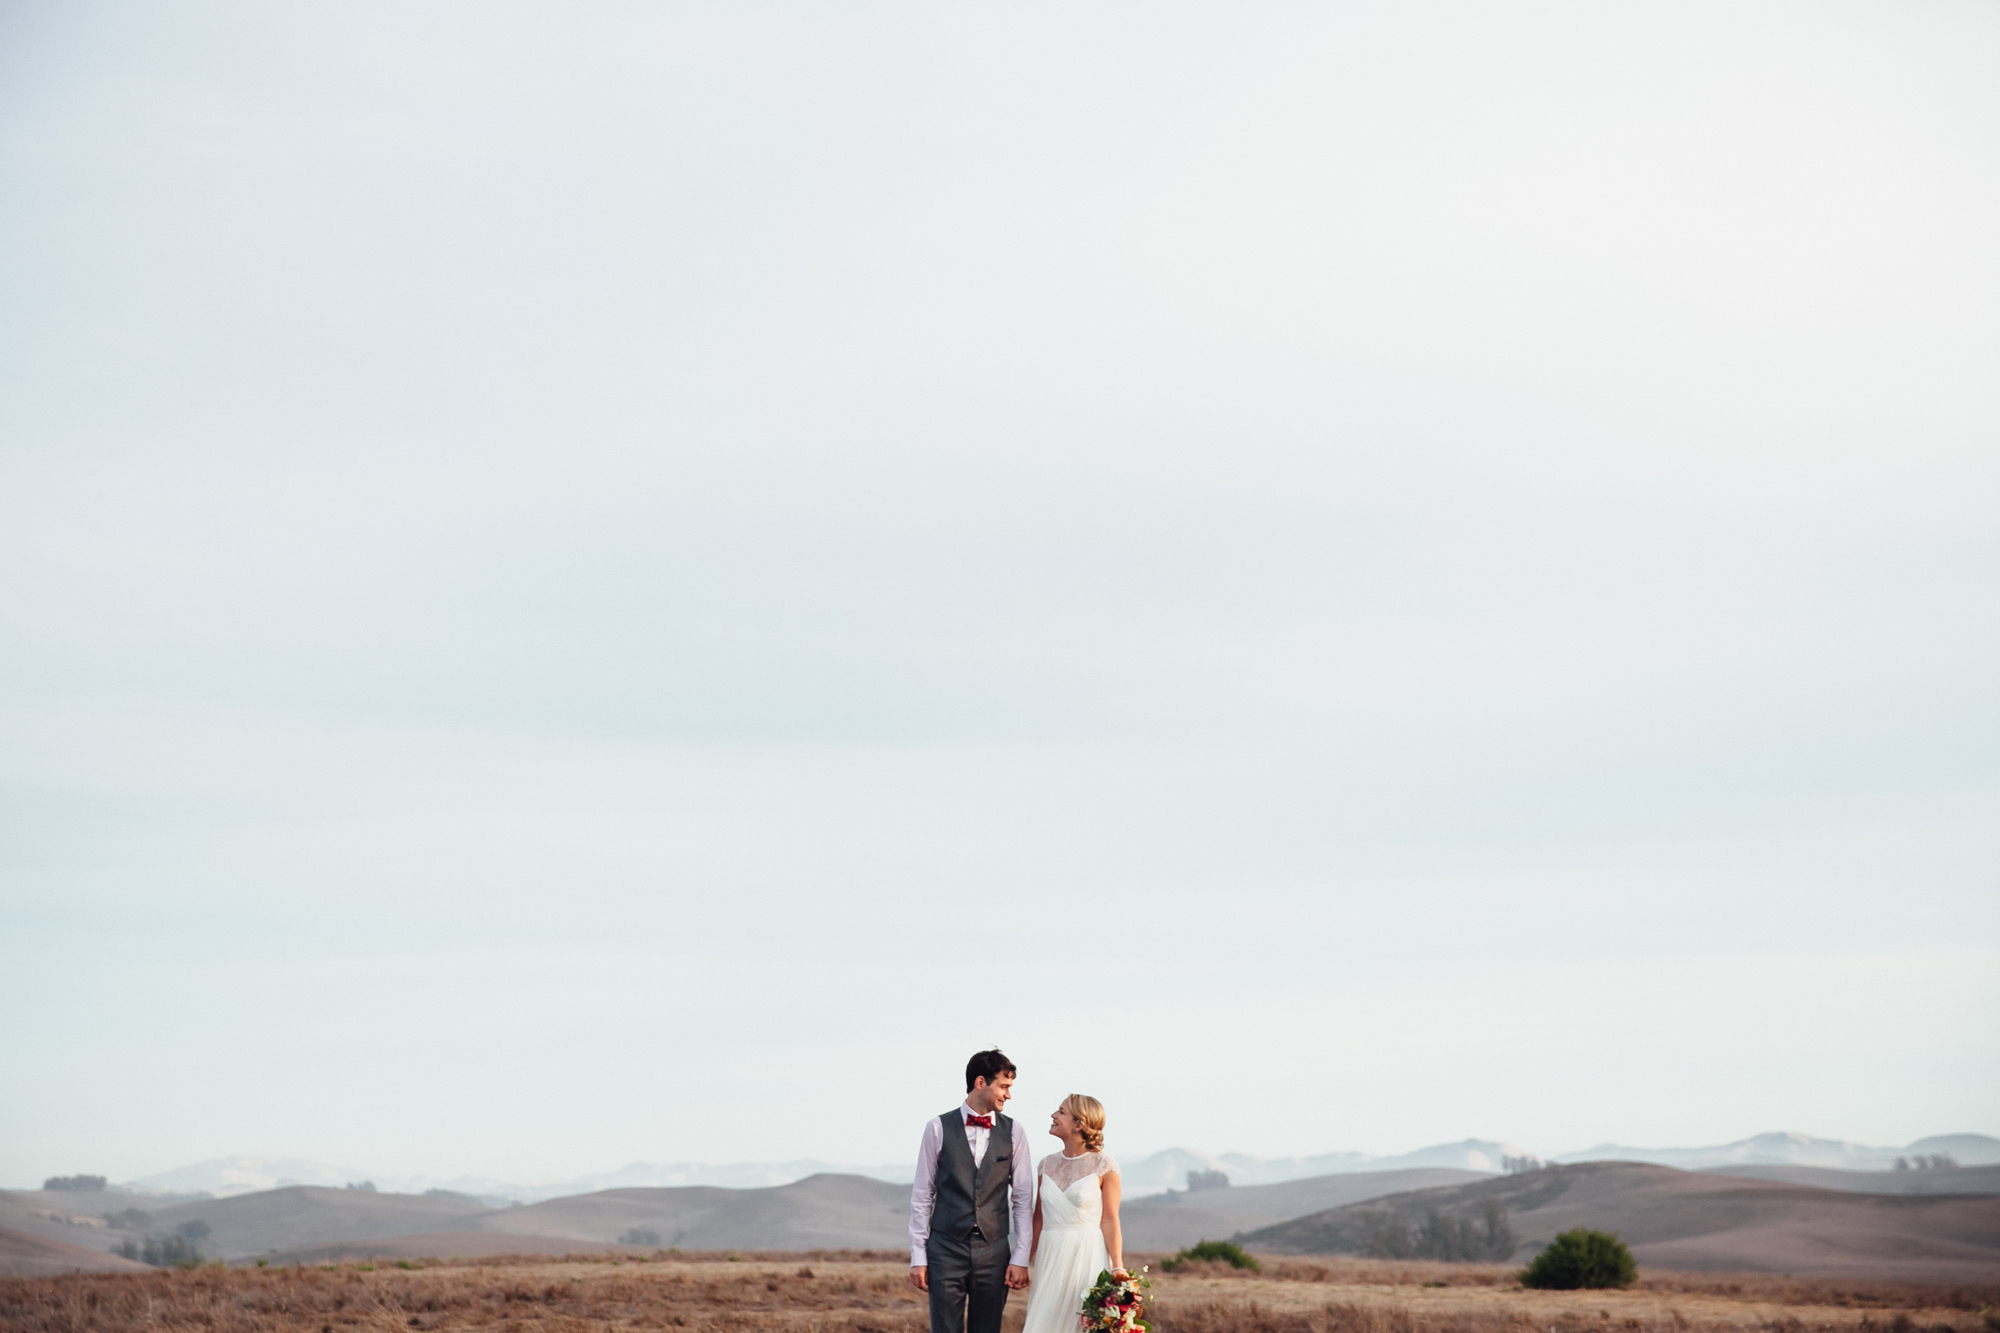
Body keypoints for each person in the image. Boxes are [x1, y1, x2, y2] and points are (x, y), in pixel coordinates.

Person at [908, 1049, 1035, 1333]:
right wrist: (918, 1255)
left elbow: (1023, 1199)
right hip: (945, 1249)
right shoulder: (937, 1128)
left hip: (994, 1252)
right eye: (1004, 1086)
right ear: (980, 1082)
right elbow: (922, 1195)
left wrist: (1020, 1256)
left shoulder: (1015, 1132)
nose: (1008, 1095)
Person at [1020, 1094, 1124, 1333]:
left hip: (1087, 1255)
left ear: (1079, 1124)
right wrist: (1023, 1261)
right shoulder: (1046, 1165)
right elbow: (1038, 1218)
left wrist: (1117, 1266)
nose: (1053, 1116)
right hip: (1051, 1255)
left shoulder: (1104, 1165)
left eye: (1061, 1112)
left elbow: (1110, 1219)